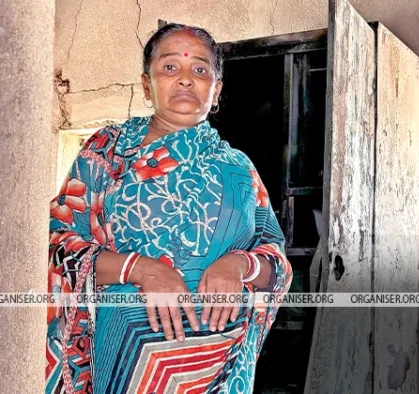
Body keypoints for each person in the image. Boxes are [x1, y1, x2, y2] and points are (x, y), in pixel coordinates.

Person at [46, 23, 293, 394]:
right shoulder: (105, 154)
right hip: (124, 356)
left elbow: (276, 259)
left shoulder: (239, 169)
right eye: (169, 67)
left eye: (200, 70)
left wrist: (239, 264)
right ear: (147, 85)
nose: (185, 80)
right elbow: (59, 243)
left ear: (217, 90)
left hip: (219, 367)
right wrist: (139, 269)